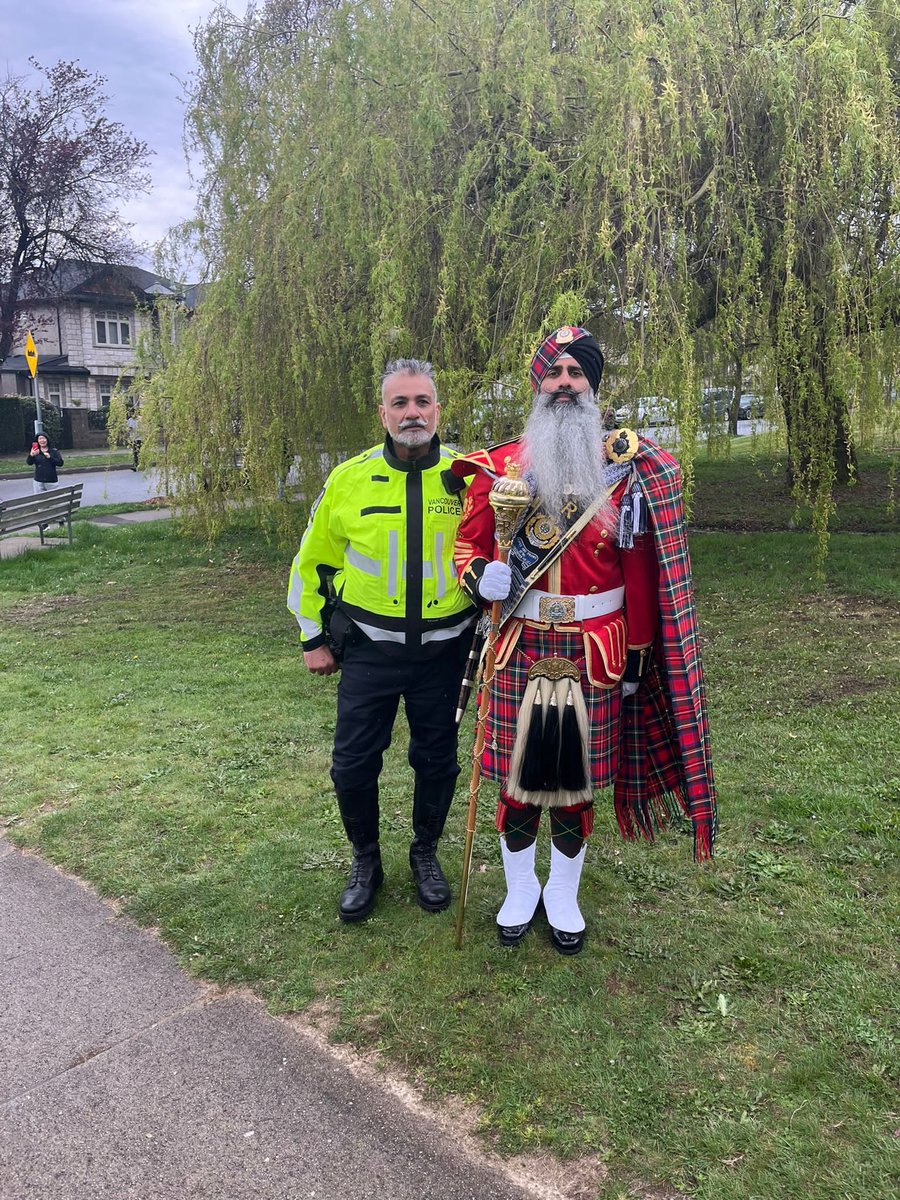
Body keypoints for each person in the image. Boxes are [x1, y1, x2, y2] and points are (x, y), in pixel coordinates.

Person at [452, 325, 717, 955]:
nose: (565, 384)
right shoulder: (496, 467)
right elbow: (466, 545)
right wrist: (477, 577)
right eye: (555, 373)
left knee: (576, 783)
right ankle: (521, 889)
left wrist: (638, 654)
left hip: (595, 653)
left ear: (593, 386)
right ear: (538, 384)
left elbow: (640, 569)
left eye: (577, 374)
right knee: (517, 781)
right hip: (519, 640)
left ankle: (563, 893)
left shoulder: (625, 470)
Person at [287, 359, 477, 922]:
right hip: (370, 648)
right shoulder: (348, 479)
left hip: (447, 650)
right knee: (351, 764)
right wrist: (311, 637)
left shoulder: (472, 477)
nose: (412, 413)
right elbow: (310, 563)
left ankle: (425, 853)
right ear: (383, 413)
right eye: (400, 403)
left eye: (422, 402)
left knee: (437, 762)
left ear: (438, 410)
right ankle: (365, 859)